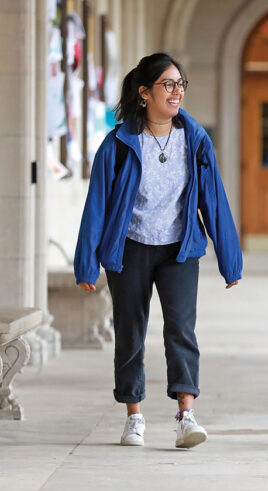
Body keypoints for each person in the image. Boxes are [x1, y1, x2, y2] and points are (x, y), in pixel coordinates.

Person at [74, 53, 242, 449]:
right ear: (144, 92)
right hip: (129, 249)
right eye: (168, 84)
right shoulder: (117, 144)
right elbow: (96, 206)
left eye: (181, 84)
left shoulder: (195, 138)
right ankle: (134, 416)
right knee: (130, 333)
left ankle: (186, 415)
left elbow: (213, 200)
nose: (177, 91)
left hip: (179, 250)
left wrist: (229, 259)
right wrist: (86, 263)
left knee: (181, 330)